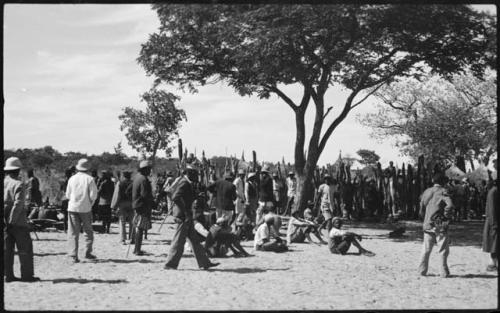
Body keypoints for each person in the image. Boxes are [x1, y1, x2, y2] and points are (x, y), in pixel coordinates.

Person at [164, 165, 219, 270]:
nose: (197, 176)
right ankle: (170, 264)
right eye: (195, 174)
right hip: (183, 216)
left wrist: (196, 196)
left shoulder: (187, 183)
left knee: (195, 242)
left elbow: (185, 197)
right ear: (189, 173)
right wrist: (184, 211)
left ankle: (205, 262)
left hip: (187, 215)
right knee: (178, 241)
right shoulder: (184, 183)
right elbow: (176, 197)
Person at [4, 157, 40, 282]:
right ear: (18, 170)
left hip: (4, 223)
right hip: (17, 223)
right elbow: (18, 204)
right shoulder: (18, 184)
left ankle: (7, 275)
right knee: (25, 250)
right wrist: (11, 221)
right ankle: (27, 276)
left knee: (7, 250)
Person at [418, 172, 454, 278]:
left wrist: (426, 217)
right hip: (440, 224)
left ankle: (422, 271)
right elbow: (450, 205)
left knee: (426, 249)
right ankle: (443, 272)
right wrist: (446, 216)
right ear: (443, 182)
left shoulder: (427, 191)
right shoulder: (443, 192)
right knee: (442, 250)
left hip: (427, 223)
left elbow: (421, 206)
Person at [65, 158, 98, 263]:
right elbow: (93, 195)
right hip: (85, 208)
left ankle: (73, 255)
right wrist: (89, 204)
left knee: (73, 232)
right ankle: (88, 253)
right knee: (88, 231)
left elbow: (67, 195)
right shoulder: (90, 179)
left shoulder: (71, 179)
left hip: (73, 207)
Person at [131, 161, 155, 256]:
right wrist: (153, 203)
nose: (150, 171)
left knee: (138, 226)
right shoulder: (144, 179)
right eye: (148, 169)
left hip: (137, 204)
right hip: (142, 206)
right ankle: (137, 250)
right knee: (140, 227)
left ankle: (136, 249)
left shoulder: (137, 178)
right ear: (145, 170)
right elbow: (145, 195)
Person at [111, 171, 134, 245]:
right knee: (132, 222)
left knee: (122, 222)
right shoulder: (133, 183)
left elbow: (117, 195)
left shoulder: (120, 183)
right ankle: (132, 238)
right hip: (131, 203)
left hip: (122, 203)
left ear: (124, 176)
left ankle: (122, 239)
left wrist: (114, 206)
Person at [482, 171, 497, 271]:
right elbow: (492, 209)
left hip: (494, 221)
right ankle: (492, 264)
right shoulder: (494, 191)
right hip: (494, 222)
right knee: (494, 244)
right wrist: (494, 224)